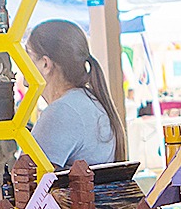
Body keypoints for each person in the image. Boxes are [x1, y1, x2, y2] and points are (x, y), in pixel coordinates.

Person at [26, 19, 125, 167]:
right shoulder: (87, 101)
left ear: (45, 64)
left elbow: (26, 181)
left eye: (27, 54)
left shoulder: (62, 111)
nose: (22, 62)